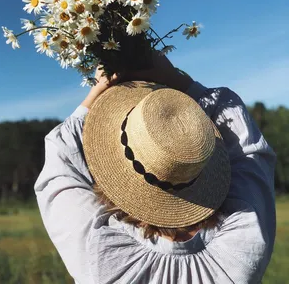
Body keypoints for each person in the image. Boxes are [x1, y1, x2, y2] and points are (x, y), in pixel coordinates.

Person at [35, 53, 276, 284]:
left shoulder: (99, 254)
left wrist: (98, 89)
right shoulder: (245, 243)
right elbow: (250, 154)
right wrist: (176, 77)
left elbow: (60, 162)